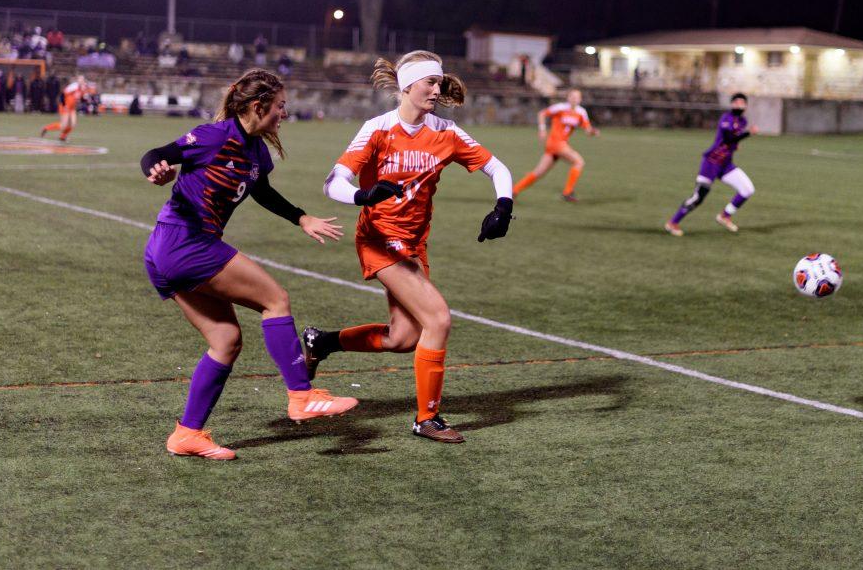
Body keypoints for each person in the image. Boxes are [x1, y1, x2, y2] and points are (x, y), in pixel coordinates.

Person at [140, 68, 355, 460]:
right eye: (280, 107)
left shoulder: (255, 150)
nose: (284, 114)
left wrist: (301, 217)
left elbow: (263, 192)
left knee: (226, 341)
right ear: (258, 106)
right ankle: (301, 396)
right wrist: (156, 170)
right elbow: (156, 155)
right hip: (183, 243)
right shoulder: (213, 136)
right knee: (276, 299)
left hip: (169, 250)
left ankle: (187, 434)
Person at [307, 50, 514, 444]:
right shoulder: (378, 128)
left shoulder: (446, 132)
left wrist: (503, 206)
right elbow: (333, 182)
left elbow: (497, 168)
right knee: (438, 319)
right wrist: (364, 195)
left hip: (414, 246)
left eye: (439, 82)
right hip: (379, 241)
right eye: (430, 82)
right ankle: (427, 418)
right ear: (407, 86)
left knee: (403, 339)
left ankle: (323, 341)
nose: (437, 90)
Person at [664, 92, 758, 236]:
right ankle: (673, 223)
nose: (739, 105)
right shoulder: (726, 118)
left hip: (726, 164)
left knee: (747, 189)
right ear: (731, 104)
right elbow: (728, 138)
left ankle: (725, 216)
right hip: (711, 162)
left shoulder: (743, 121)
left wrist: (736, 144)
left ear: (745, 106)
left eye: (742, 102)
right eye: (736, 102)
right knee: (699, 196)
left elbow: (733, 140)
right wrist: (747, 134)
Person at [513, 89, 599, 202]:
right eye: (572, 96)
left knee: (539, 172)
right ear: (568, 98)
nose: (574, 99)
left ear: (580, 99)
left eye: (577, 97)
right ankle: (567, 192)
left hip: (560, 145)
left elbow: (587, 130)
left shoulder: (581, 112)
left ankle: (513, 191)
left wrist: (593, 131)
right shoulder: (560, 107)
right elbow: (542, 114)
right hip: (555, 143)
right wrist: (542, 129)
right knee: (578, 161)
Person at [40, 75, 90, 141]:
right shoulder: (74, 86)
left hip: (72, 108)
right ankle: (46, 128)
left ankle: (63, 136)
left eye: (82, 80)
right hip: (65, 106)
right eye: (80, 79)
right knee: (63, 126)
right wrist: (64, 105)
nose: (81, 81)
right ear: (77, 80)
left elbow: (81, 98)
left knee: (72, 124)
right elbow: (63, 94)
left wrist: (86, 99)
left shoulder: (83, 88)